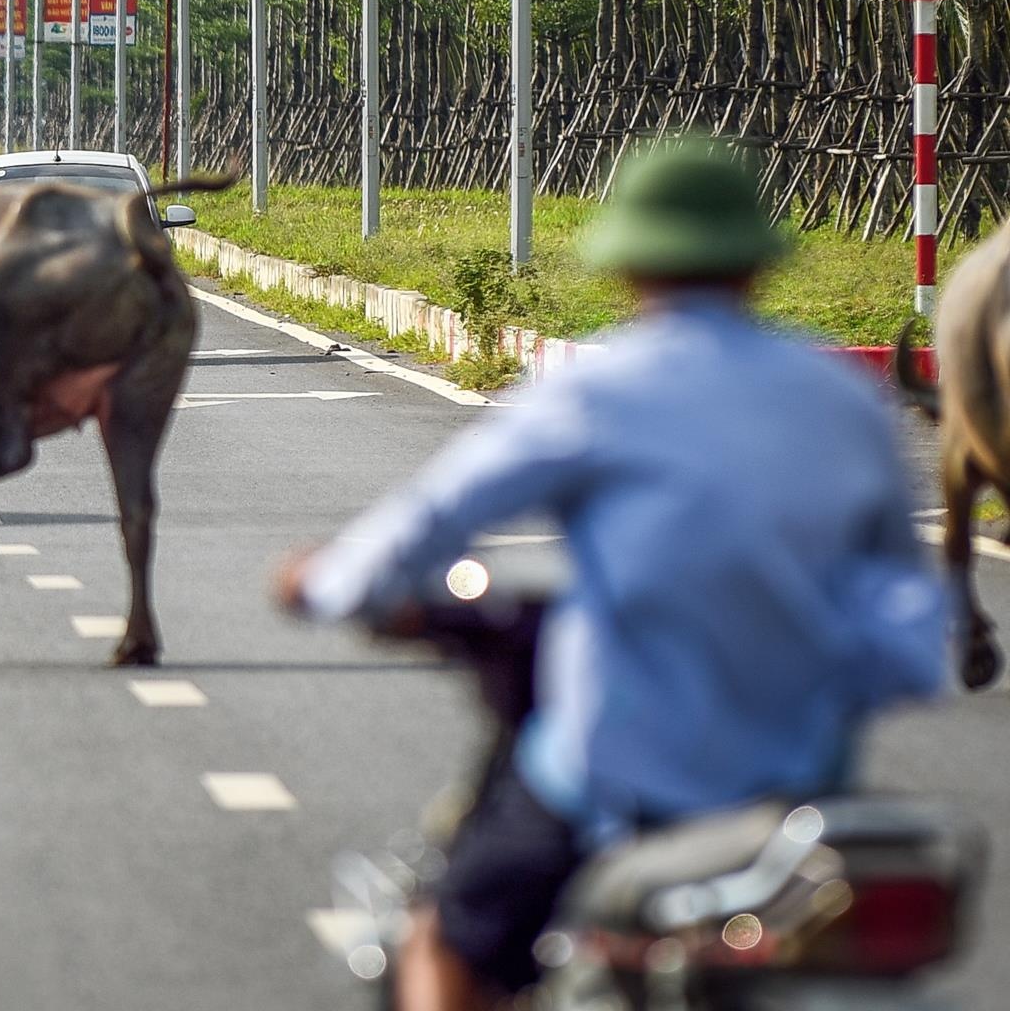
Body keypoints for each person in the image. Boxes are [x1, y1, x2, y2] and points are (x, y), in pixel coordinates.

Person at [274, 138, 952, 1011]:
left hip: (621, 775)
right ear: (756, 264)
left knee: (447, 936)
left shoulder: (600, 389)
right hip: (801, 783)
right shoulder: (845, 399)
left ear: (629, 264)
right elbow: (901, 599)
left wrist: (324, 581)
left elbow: (432, 517)